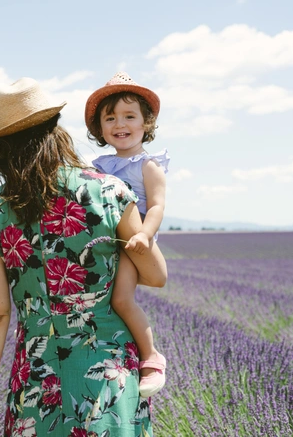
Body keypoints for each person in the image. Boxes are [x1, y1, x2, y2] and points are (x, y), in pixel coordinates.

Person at [0, 77, 168, 437]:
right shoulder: (108, 190)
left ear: (0, 146)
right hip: (107, 379)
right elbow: (155, 276)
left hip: (35, 377)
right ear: (56, 129)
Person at [84, 72, 169, 398]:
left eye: (129, 116)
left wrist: (145, 235)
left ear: (146, 123)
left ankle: (151, 357)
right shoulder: (100, 164)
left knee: (121, 299)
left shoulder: (148, 165)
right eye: (111, 118)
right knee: (101, 301)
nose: (120, 124)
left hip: (134, 242)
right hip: (107, 241)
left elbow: (158, 206)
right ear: (101, 129)